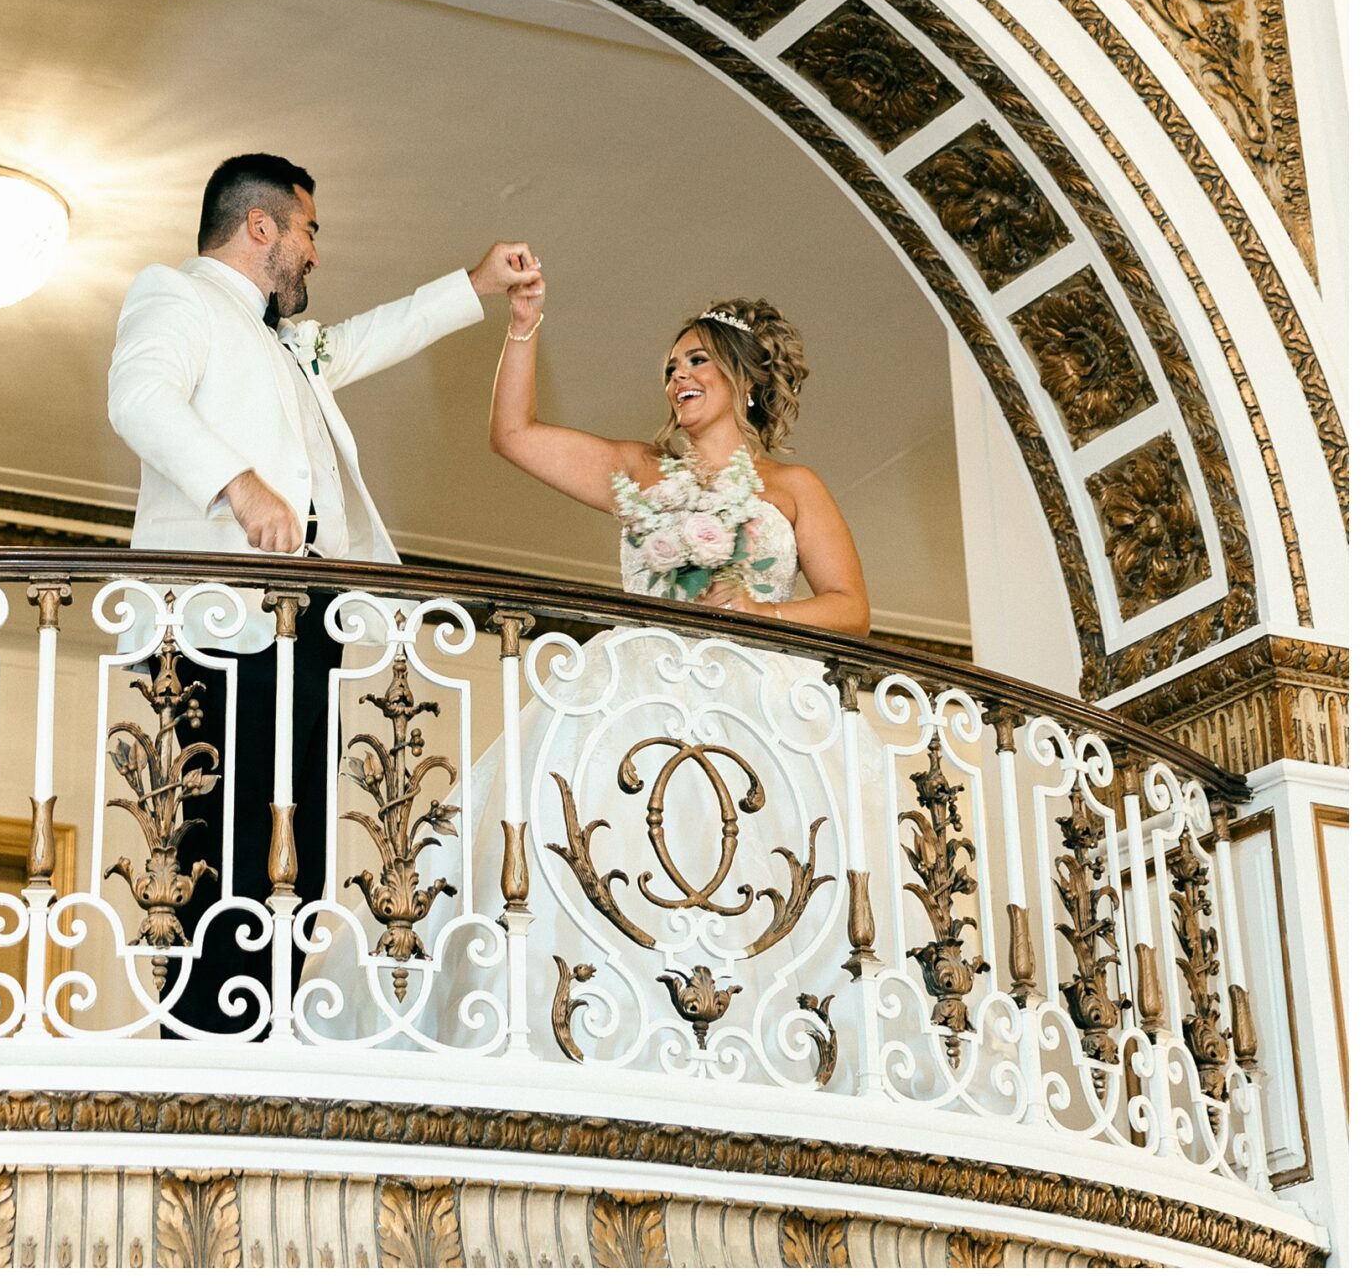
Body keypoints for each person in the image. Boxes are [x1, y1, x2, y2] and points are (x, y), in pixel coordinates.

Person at [106, 149, 535, 1033]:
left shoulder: (290, 343)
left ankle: (261, 1024)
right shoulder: (174, 296)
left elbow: (378, 332)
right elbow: (139, 398)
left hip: (308, 632)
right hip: (218, 630)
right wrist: (240, 484)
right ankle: (205, 1037)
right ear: (259, 225)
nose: (314, 252)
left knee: (292, 851)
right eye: (307, 230)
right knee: (218, 841)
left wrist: (478, 283)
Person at [488, 271, 870, 633]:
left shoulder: (795, 486)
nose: (677, 377)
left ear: (744, 377)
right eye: (672, 370)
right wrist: (524, 323)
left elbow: (851, 610)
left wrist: (760, 613)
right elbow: (513, 434)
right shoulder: (638, 470)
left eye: (697, 361)